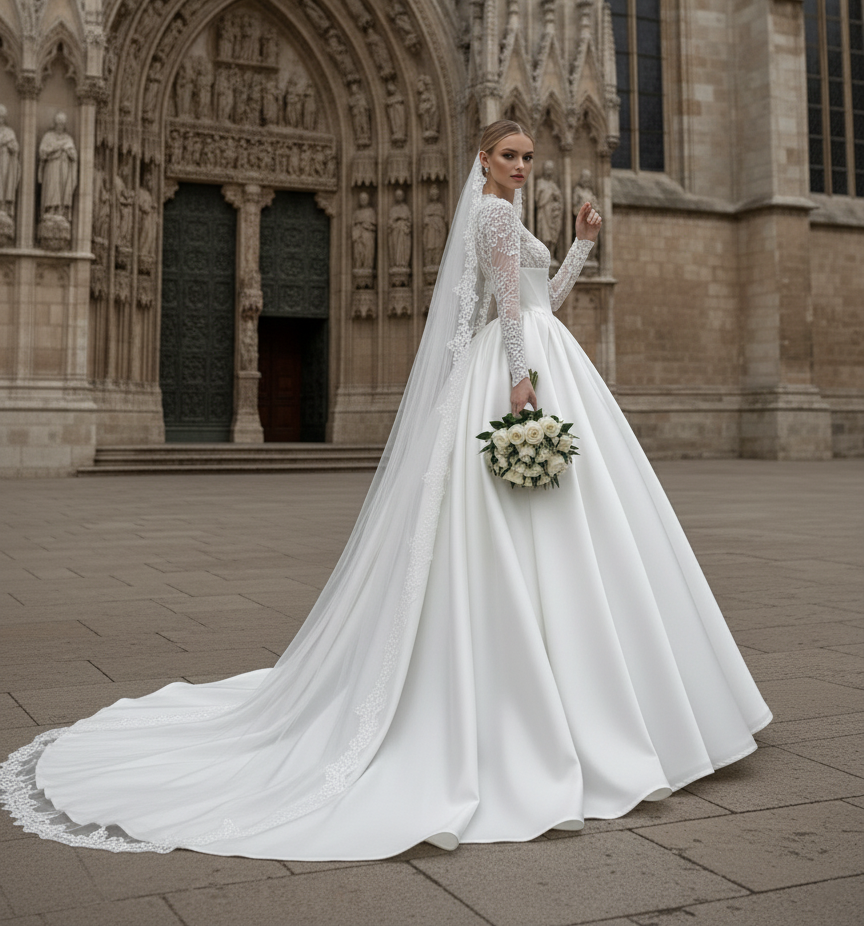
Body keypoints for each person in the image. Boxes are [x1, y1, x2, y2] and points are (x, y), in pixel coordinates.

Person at [1, 120, 771, 860]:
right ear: (483, 161)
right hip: (523, 372)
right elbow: (508, 311)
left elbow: (539, 302)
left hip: (537, 352)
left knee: (547, 527)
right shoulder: (496, 223)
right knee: (537, 528)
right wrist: (520, 381)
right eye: (511, 154)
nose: (524, 164)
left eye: (530, 154)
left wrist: (580, 247)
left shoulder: (509, 221)